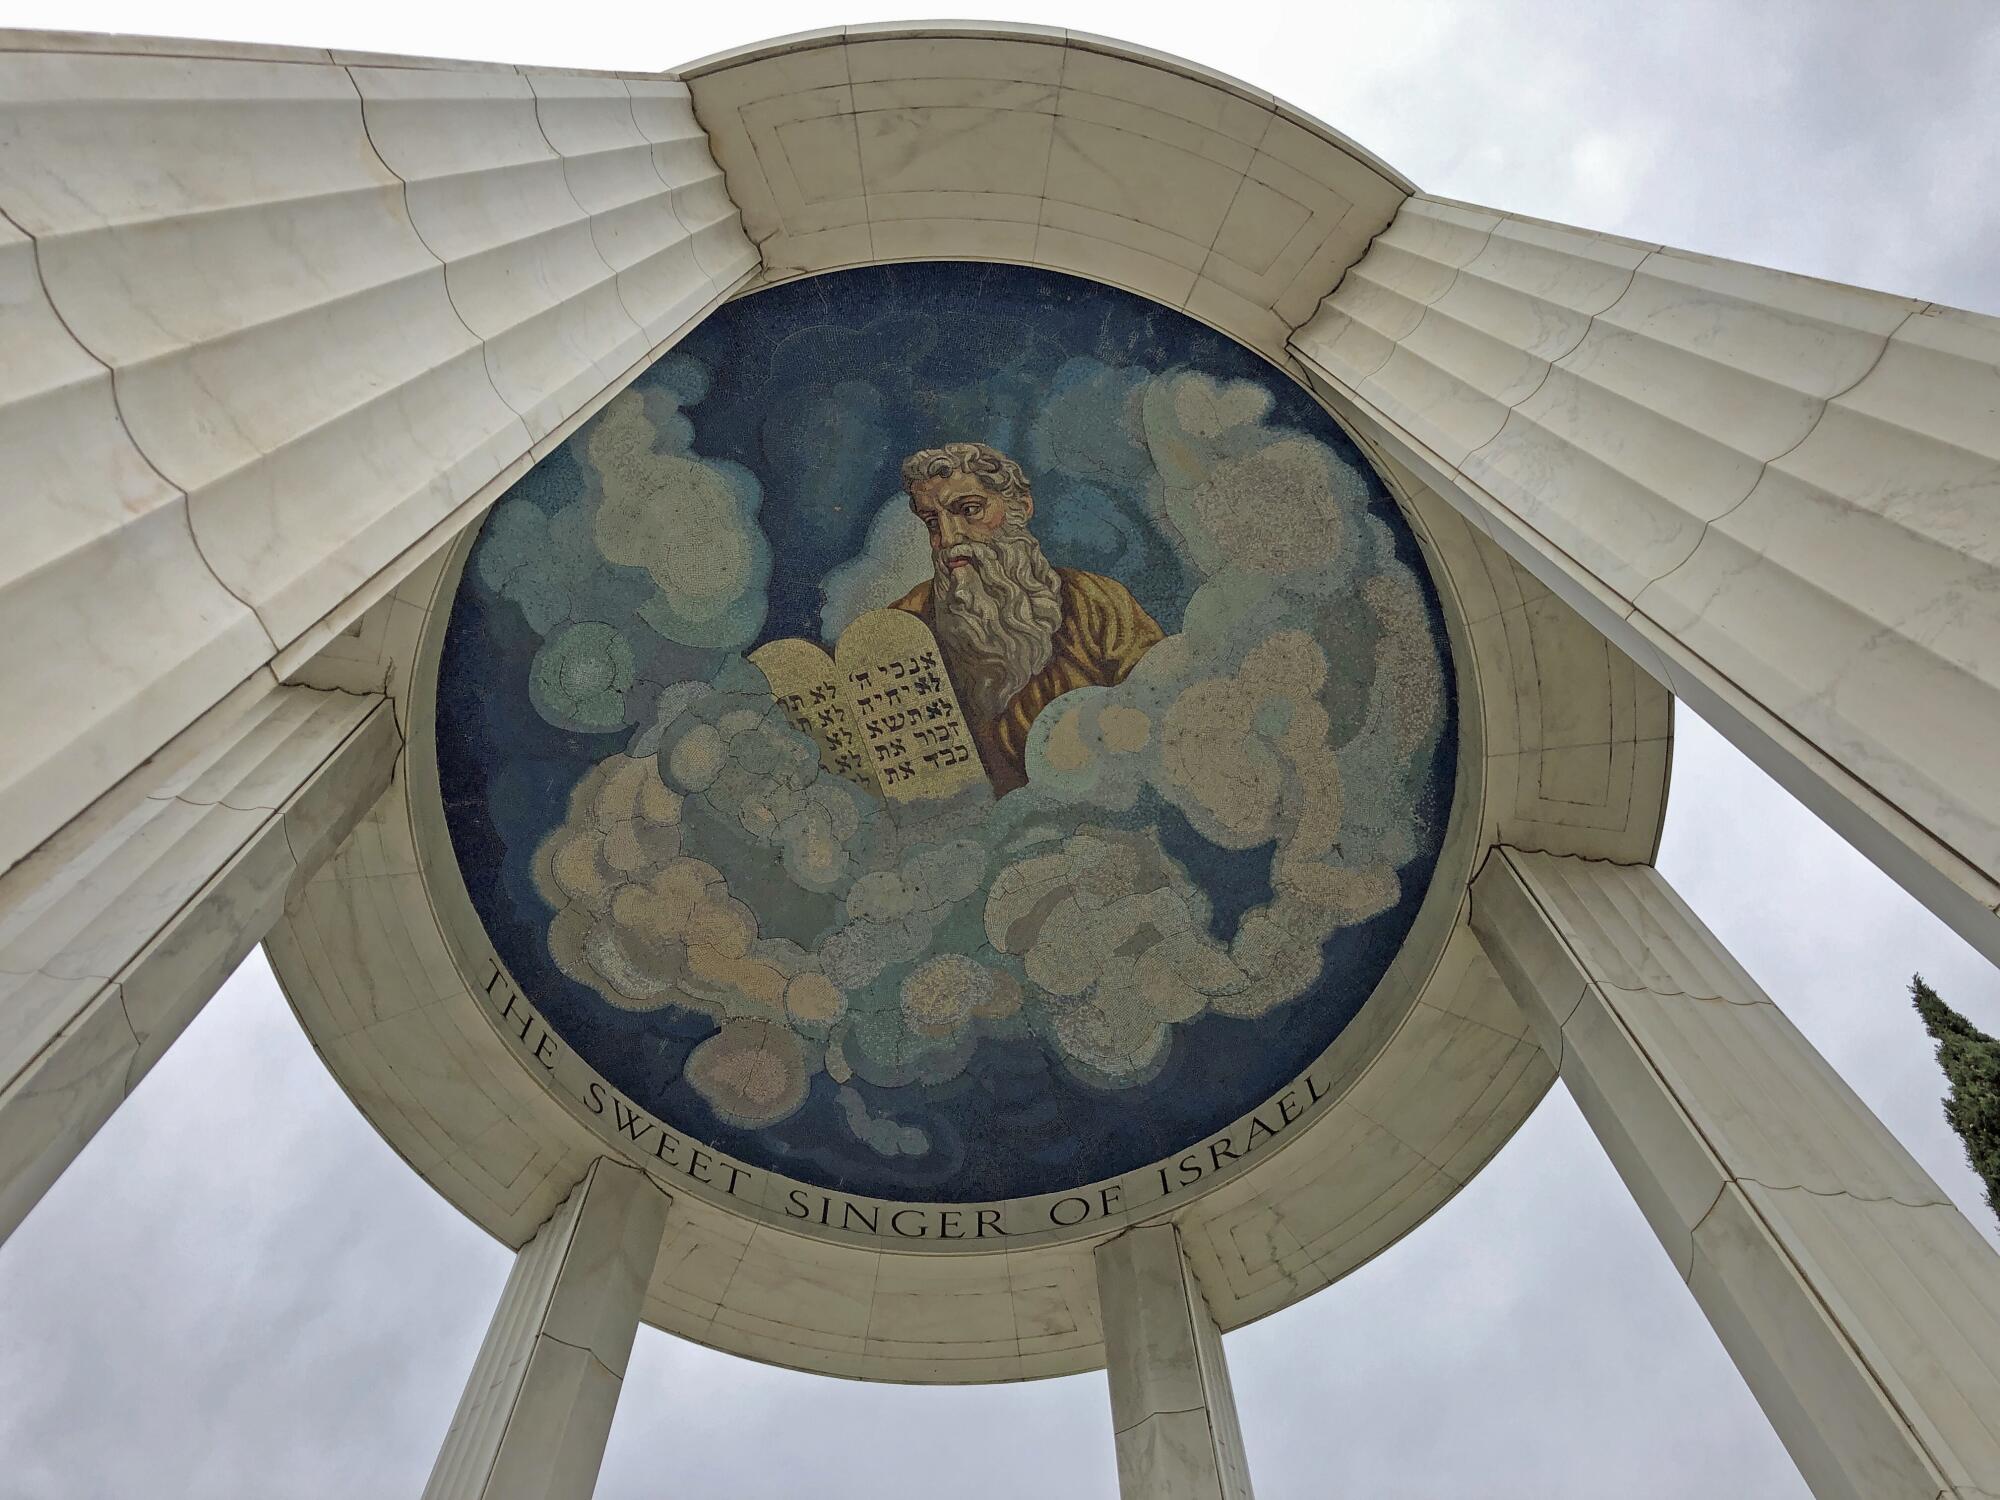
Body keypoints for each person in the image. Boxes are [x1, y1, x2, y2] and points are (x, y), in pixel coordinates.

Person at [890, 442, 1163, 794]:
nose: (948, 537)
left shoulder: (1099, 602)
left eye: (969, 510)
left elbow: (1163, 712)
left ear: (1020, 507)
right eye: (932, 522)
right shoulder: (906, 624)